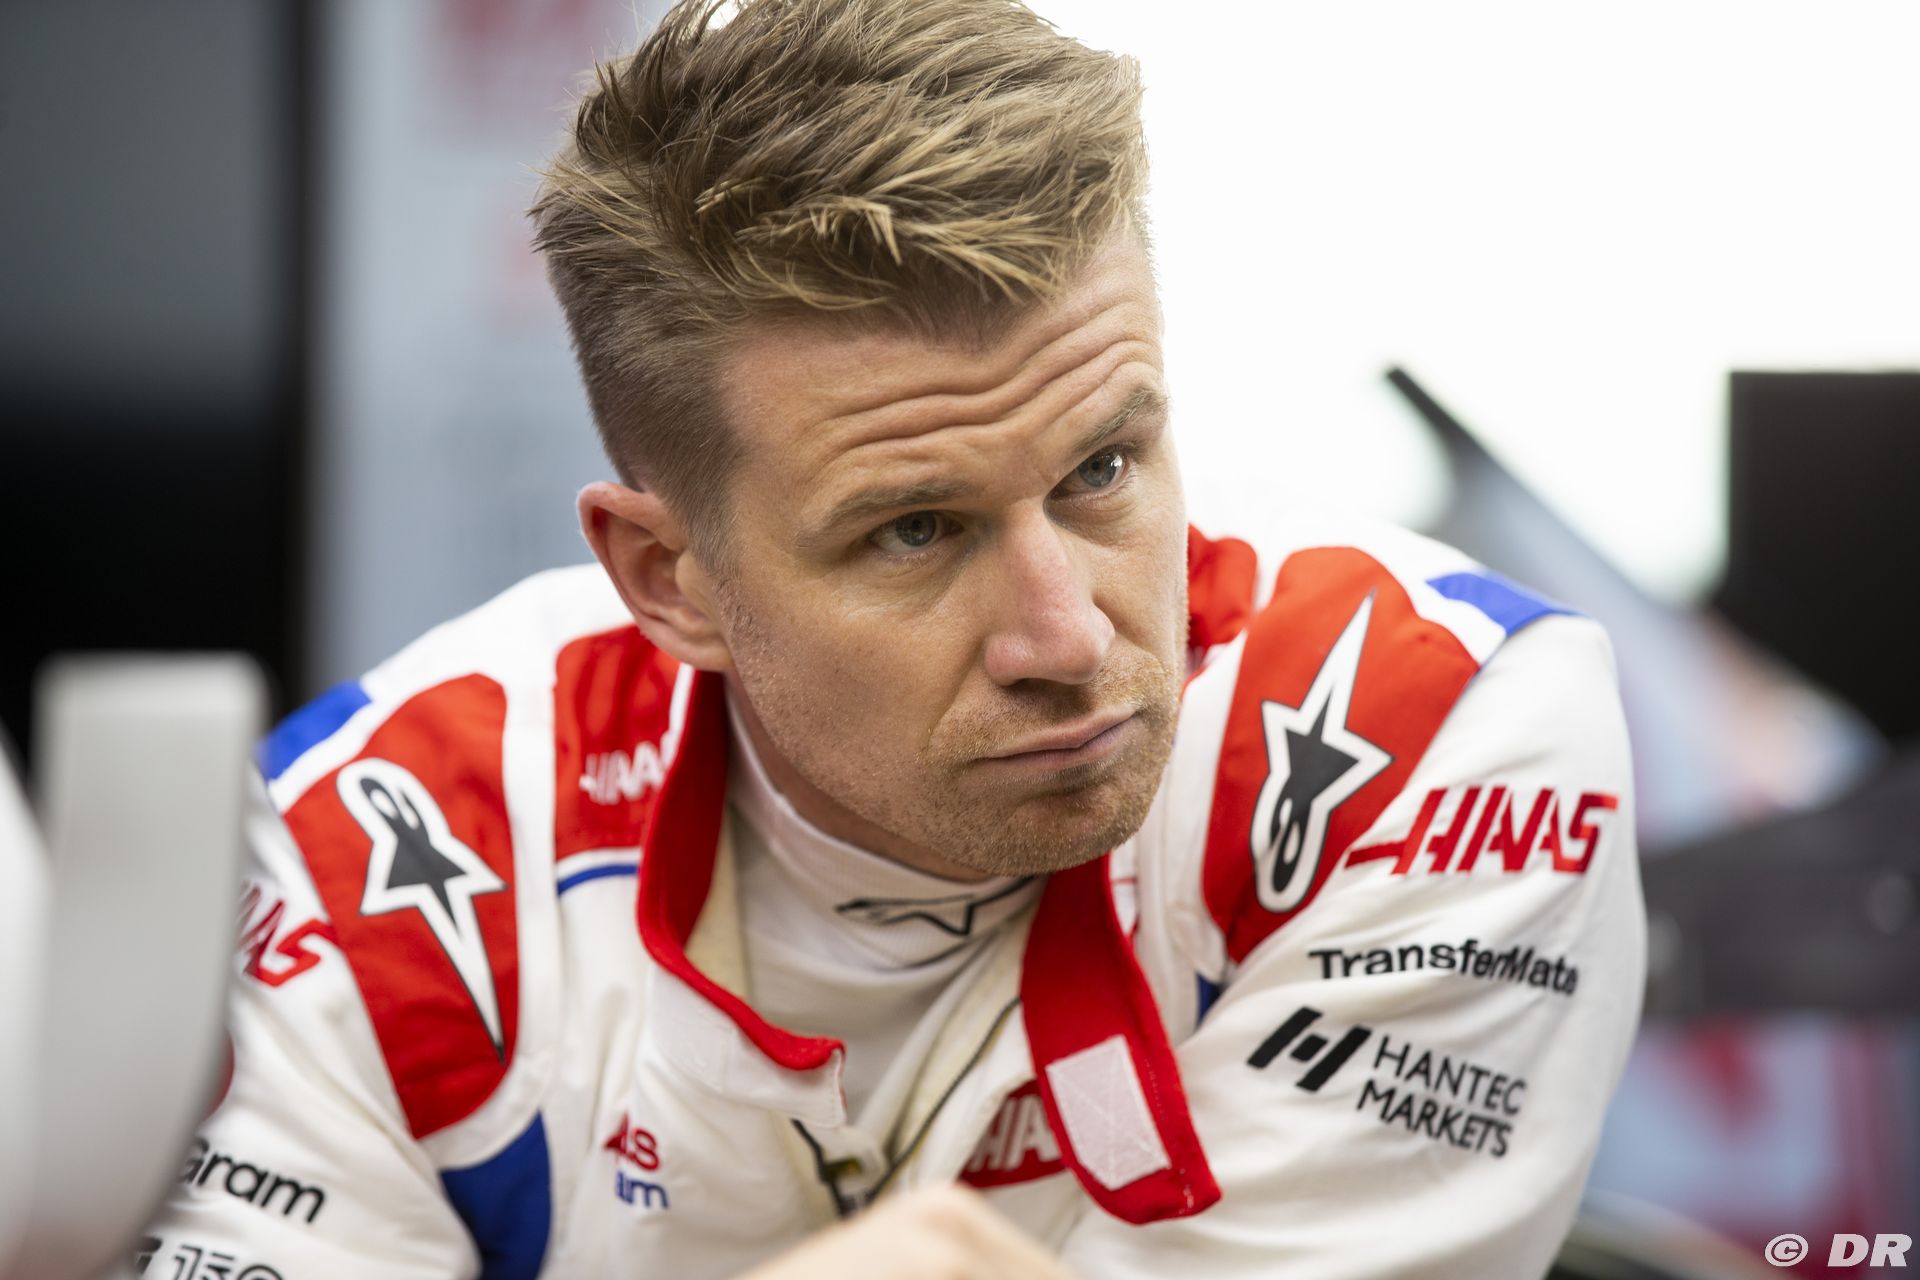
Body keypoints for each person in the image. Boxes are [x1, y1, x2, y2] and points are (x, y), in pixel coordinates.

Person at [140, 1, 1645, 1276]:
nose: (1068, 636)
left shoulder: (1436, 727)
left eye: (1104, 467)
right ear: (669, 579)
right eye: (915, 530)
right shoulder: (363, 869)